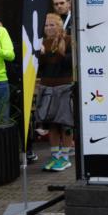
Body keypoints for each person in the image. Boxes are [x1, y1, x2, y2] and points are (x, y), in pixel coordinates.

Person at [36, 13, 76, 171]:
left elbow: (69, 62)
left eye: (52, 25)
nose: (49, 28)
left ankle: (65, 158)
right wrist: (40, 55)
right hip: (46, 87)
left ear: (60, 25)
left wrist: (55, 51)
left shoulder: (69, 40)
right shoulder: (40, 43)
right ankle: (55, 156)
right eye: (46, 25)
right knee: (52, 124)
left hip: (64, 87)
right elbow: (39, 68)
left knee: (65, 124)